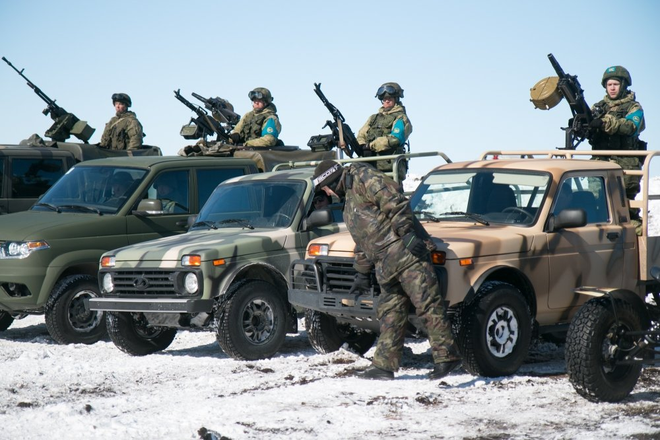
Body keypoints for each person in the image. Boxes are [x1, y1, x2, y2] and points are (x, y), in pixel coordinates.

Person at [311, 160, 461, 380]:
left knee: (427, 304)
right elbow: (363, 240)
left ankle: (447, 357)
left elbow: (395, 201)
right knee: (389, 313)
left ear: (332, 180)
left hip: (407, 255)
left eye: (325, 187)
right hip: (386, 265)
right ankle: (384, 366)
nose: (327, 192)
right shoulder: (349, 203)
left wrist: (408, 233)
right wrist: (362, 272)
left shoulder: (363, 177)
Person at [589, 66, 646, 229]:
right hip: (601, 161)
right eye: (609, 85)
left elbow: (631, 127)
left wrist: (605, 122)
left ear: (623, 85)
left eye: (615, 84)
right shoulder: (598, 107)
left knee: (626, 209)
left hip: (625, 162)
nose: (612, 88)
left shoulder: (633, 107)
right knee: (597, 203)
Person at [356, 82, 412, 182]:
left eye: (390, 99)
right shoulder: (373, 118)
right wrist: (362, 146)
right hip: (370, 168)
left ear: (396, 99)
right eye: (384, 99)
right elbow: (361, 134)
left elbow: (395, 138)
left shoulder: (400, 118)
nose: (386, 101)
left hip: (390, 170)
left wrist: (371, 146)